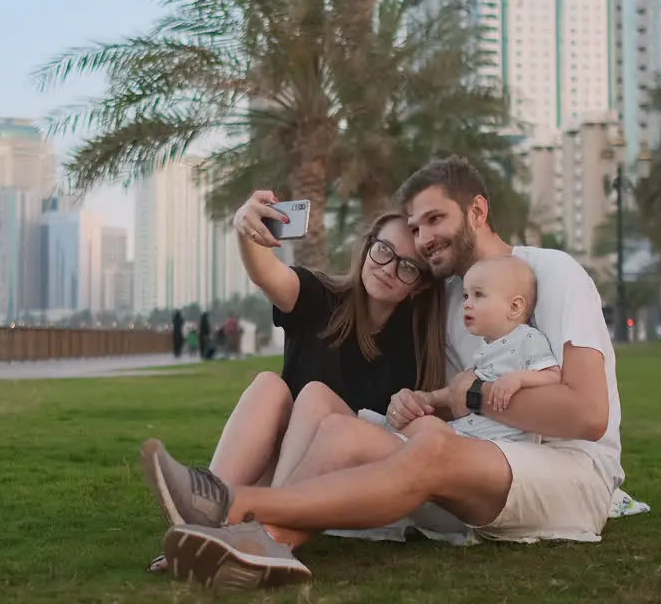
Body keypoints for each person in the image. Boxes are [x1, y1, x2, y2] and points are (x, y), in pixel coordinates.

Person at [142, 157, 623, 591]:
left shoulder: (550, 273)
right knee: (338, 426)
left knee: (434, 444)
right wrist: (421, 402)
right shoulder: (448, 300)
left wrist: (466, 399)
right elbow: (445, 404)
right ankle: (263, 543)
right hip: (474, 463)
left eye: (436, 219)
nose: (425, 237)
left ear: (478, 210)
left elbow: (587, 414)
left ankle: (229, 504)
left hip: (565, 472)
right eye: (416, 226)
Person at [142, 191, 448, 573]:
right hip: (281, 465)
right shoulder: (321, 297)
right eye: (384, 251)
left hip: (338, 475)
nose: (388, 268)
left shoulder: (415, 343)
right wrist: (246, 229)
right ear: (367, 247)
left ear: (417, 284)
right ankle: (199, 526)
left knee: (316, 396)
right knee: (271, 384)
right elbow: (266, 273)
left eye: (407, 266)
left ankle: (265, 534)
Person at [369, 254, 560, 445]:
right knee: (418, 426)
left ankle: (379, 431)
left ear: (515, 307)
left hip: (501, 442)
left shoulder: (527, 338)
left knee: (422, 429)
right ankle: (379, 432)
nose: (467, 304)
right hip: (470, 432)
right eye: (466, 296)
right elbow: (457, 390)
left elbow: (553, 376)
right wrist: (431, 397)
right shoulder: (486, 348)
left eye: (479, 295)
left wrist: (518, 379)